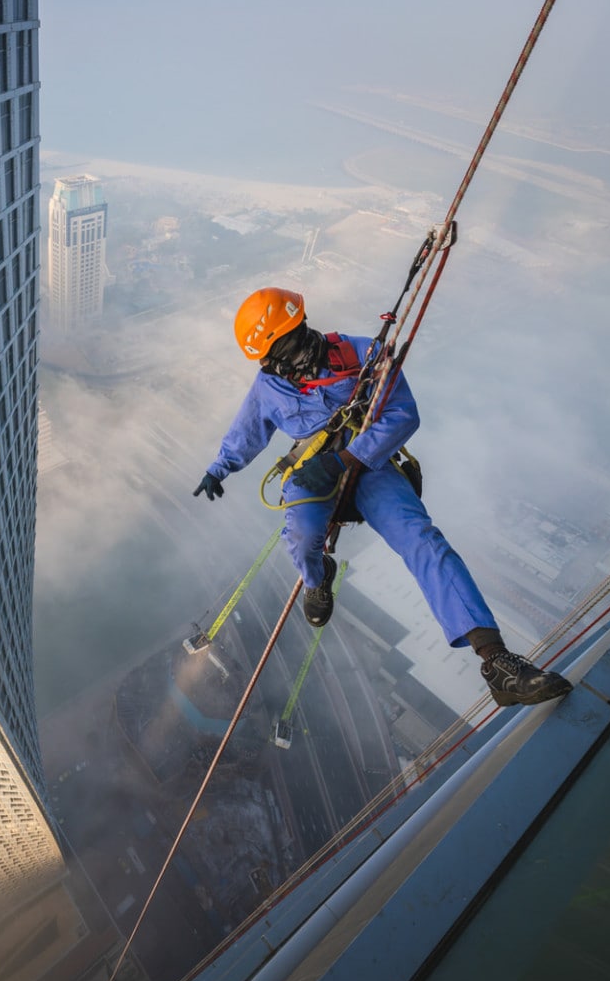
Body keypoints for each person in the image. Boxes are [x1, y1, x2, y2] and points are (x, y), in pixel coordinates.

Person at [192, 287, 571, 708]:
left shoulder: (362, 356)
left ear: (297, 332)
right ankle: (318, 583)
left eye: (278, 351)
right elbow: (248, 431)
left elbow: (402, 413)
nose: (274, 366)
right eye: (269, 358)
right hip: (311, 471)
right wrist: (218, 468)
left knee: (423, 541)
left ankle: (496, 661)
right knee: (301, 535)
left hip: (368, 465)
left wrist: (346, 459)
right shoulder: (270, 385)